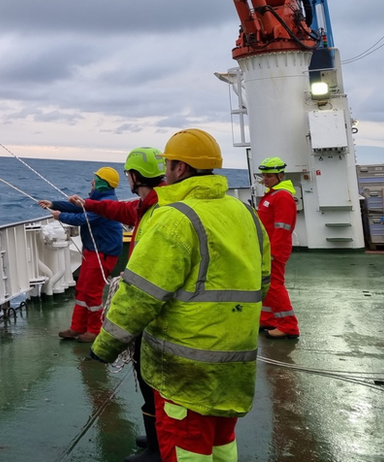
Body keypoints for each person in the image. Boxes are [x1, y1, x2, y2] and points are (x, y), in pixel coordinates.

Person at [90, 129, 271, 462]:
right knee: (221, 442)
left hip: (187, 365)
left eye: (169, 164)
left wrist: (105, 346)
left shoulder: (174, 218)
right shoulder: (245, 213)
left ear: (180, 169)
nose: (166, 171)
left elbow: (140, 296)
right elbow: (263, 279)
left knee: (187, 447)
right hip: (236, 358)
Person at [68, 148, 166, 462]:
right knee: (151, 380)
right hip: (167, 314)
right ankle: (158, 438)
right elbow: (119, 211)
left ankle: (159, 448)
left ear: (134, 176)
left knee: (154, 380)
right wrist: (84, 203)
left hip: (156, 314)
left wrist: (108, 342)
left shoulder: (163, 210)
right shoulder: (152, 205)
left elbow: (145, 287)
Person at [39, 167, 123, 343]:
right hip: (93, 251)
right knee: (82, 288)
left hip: (103, 253)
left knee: (92, 291)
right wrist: (53, 204)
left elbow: (82, 219)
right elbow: (76, 208)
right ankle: (77, 327)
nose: (92, 182)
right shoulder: (97, 200)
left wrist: (59, 216)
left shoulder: (106, 203)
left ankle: (94, 330)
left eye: (96, 179)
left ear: (102, 184)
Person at [256, 157, 301, 340]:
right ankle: (268, 318)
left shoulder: (282, 196)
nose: (265, 179)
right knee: (266, 284)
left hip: (274, 250)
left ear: (280, 175)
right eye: (264, 175)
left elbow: (283, 227)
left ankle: (288, 325)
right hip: (268, 249)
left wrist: (273, 253)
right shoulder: (273, 194)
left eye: (269, 176)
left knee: (275, 285)